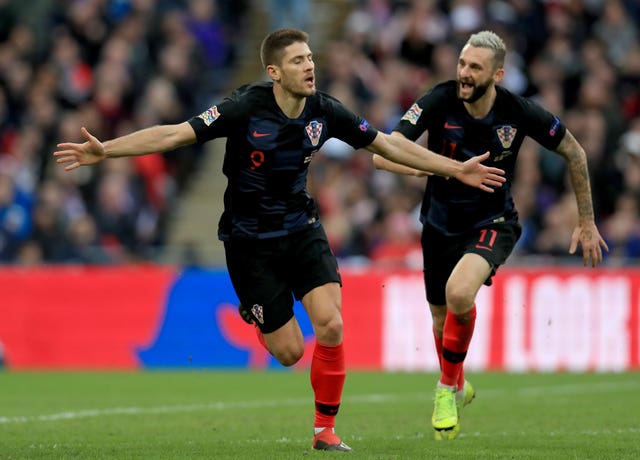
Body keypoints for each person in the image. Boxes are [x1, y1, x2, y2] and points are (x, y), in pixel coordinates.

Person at [53, 29, 506, 452]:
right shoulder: (244, 107)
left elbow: (387, 146)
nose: (310, 67)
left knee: (331, 325)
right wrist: (106, 149)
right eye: (297, 61)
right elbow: (174, 134)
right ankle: (255, 310)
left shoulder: (325, 111)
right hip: (248, 242)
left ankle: (324, 431)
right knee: (289, 352)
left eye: (310, 58)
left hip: (302, 229)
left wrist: (454, 168)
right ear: (274, 72)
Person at [373, 30, 609, 441]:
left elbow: (575, 151)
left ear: (497, 75)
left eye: (474, 68)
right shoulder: (438, 100)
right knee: (440, 317)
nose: (464, 73)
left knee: (460, 294)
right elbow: (385, 150)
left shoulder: (518, 112)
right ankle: (458, 383)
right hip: (438, 223)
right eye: (462, 64)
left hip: (493, 222)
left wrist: (586, 220)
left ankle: (445, 389)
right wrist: (429, 168)